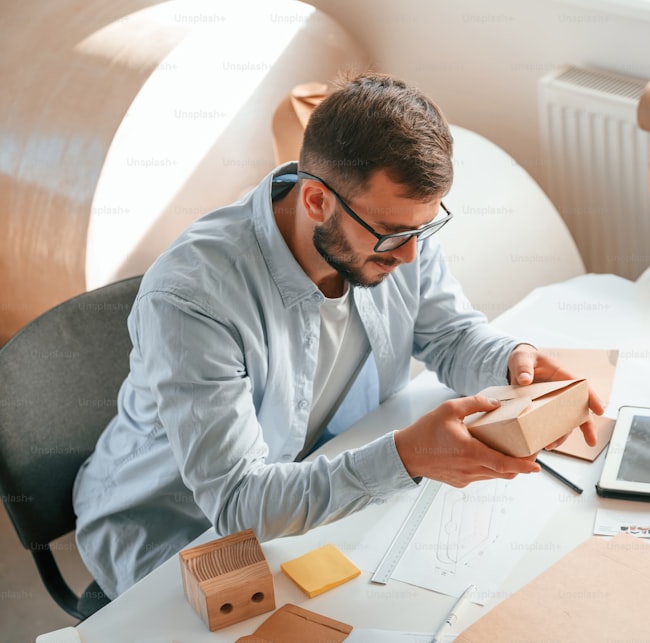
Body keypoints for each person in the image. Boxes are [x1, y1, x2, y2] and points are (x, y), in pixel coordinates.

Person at [73, 72, 603, 600]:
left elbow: (448, 334)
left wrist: (511, 360)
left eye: (423, 229)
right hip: (174, 530)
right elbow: (239, 503)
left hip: (307, 481)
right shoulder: (193, 300)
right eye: (393, 235)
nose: (410, 256)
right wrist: (406, 458)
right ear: (315, 202)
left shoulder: (392, 227)